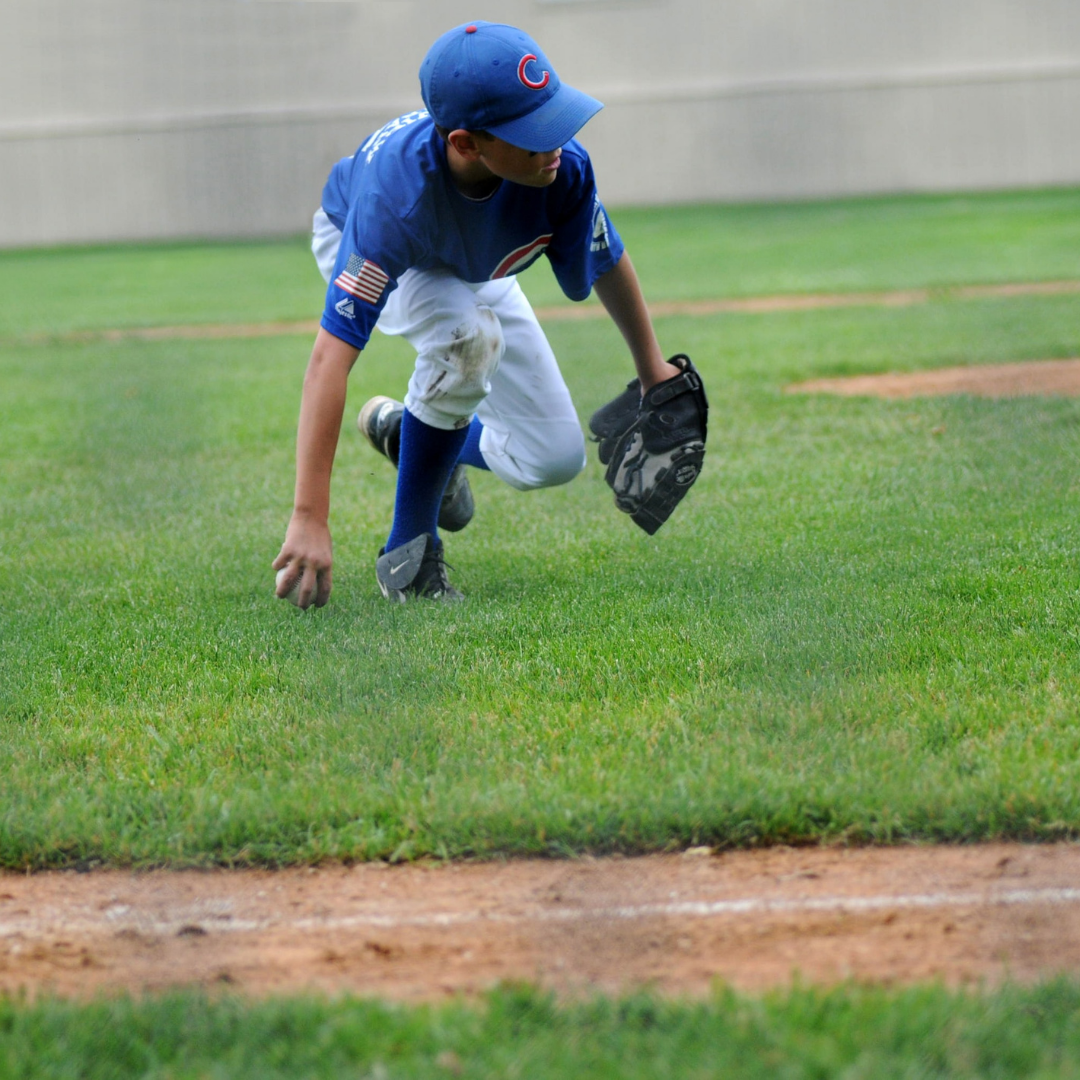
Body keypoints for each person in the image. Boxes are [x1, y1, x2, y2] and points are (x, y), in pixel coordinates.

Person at [273, 20, 680, 606]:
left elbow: (606, 256)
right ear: (466, 143)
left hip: (467, 258)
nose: (555, 144)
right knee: (468, 338)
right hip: (366, 241)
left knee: (553, 457)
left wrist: (652, 370)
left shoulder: (559, 168)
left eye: (555, 118)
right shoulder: (394, 201)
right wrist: (310, 515)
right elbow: (329, 360)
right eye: (533, 133)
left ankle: (405, 432)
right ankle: (409, 558)